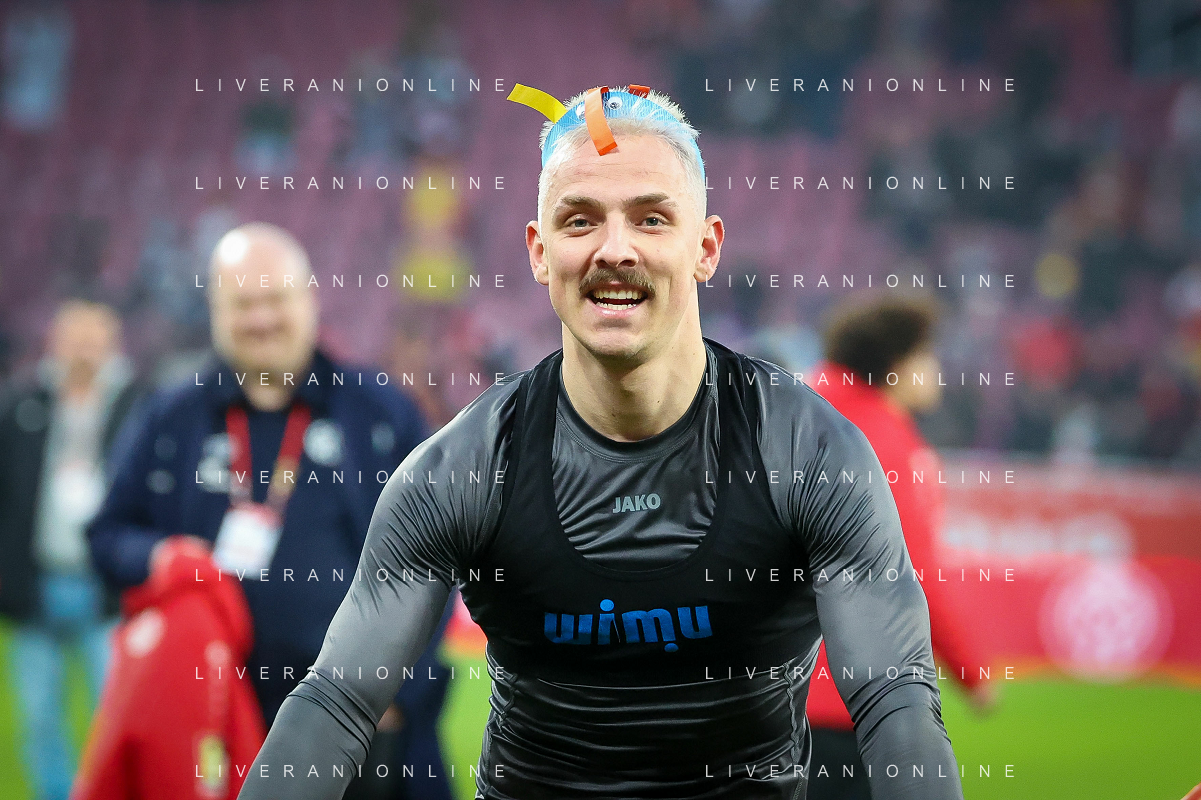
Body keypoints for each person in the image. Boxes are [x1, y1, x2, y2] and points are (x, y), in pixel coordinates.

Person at [238, 85, 965, 799]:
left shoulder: (812, 456)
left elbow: (896, 703)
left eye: (651, 219)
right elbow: (335, 702)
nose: (614, 250)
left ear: (705, 247)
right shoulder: (460, 471)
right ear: (538, 251)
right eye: (580, 220)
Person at [87, 223, 453, 800]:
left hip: (358, 727)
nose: (260, 319)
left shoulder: (380, 412)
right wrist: (158, 556)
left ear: (309, 298)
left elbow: (439, 556)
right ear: (215, 311)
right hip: (213, 722)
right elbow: (107, 534)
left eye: (275, 299)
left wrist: (395, 691)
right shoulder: (170, 415)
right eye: (242, 303)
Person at [803, 297, 997, 800]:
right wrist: (971, 672)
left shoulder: (787, 412)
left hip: (764, 697)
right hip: (850, 702)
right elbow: (914, 573)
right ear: (897, 363)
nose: (936, 371)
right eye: (928, 355)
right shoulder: (886, 442)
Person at [0, 298, 139, 800]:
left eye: (93, 339)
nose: (83, 350)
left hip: (107, 589)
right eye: (74, 338)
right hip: (36, 584)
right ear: (54, 342)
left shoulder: (135, 409)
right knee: (39, 716)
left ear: (112, 343)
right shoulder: (24, 406)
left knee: (116, 712)